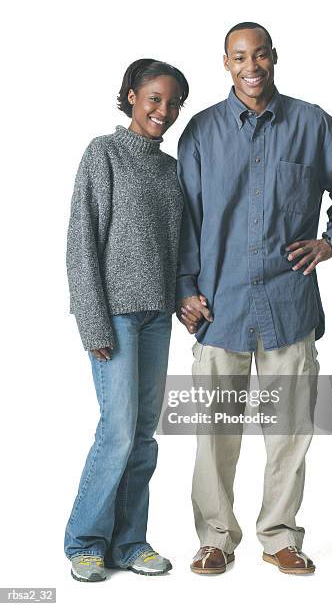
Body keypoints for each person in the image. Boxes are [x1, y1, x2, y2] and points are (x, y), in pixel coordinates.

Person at [176, 22, 332, 575]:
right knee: (216, 431)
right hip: (218, 308)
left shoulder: (311, 124)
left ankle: (280, 536)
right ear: (226, 63)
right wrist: (183, 290)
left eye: (260, 54)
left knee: (289, 431)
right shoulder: (201, 133)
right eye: (240, 56)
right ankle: (216, 536)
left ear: (273, 58)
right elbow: (183, 221)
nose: (251, 65)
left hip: (288, 306)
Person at [64, 58, 188, 582]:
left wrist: (183, 300)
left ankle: (130, 542)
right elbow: (81, 243)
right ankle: (86, 541)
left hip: (157, 317)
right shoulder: (104, 153)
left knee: (143, 433)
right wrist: (92, 323)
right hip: (114, 316)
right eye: (154, 99)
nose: (164, 111)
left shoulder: (172, 169)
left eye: (173, 102)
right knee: (115, 432)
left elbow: (179, 245)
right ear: (132, 97)